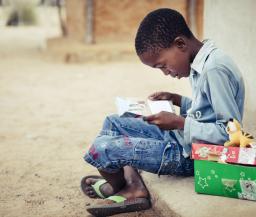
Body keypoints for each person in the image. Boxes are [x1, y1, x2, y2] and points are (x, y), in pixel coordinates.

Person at [81, 8, 245, 216]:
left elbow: (231, 136)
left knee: (103, 148)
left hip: (196, 156)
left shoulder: (214, 70)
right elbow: (207, 110)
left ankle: (121, 188)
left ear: (180, 44)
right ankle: (132, 185)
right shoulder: (203, 61)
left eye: (163, 65)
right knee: (114, 122)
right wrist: (177, 100)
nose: (166, 72)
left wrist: (179, 123)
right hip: (183, 139)